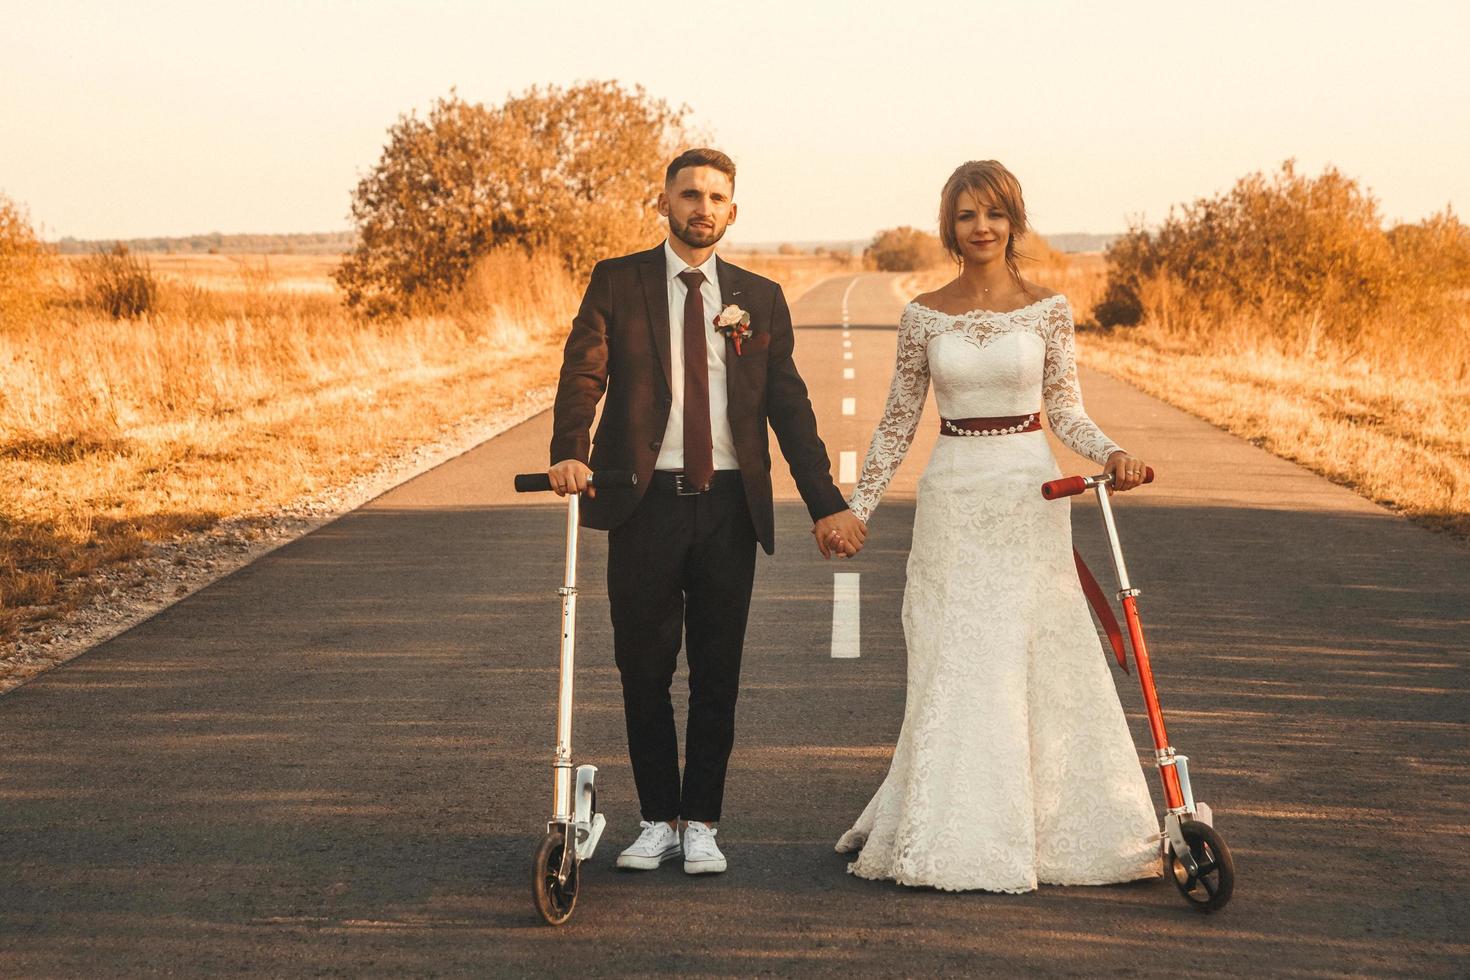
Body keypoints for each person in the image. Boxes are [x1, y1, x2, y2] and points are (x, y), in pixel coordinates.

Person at [834, 160, 1161, 893]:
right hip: (953, 492)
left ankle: (1059, 821)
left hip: (1029, 489)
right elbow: (895, 424)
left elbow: (1067, 409)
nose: (980, 228)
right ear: (948, 226)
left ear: (1014, 221)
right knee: (959, 650)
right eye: (966, 215)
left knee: (1040, 646)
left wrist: (1112, 453)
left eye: (994, 214)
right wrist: (857, 511)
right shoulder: (923, 313)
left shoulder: (1049, 309)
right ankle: (953, 820)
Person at [548, 148, 867, 876]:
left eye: (715, 196)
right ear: (661, 202)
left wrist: (826, 506)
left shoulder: (760, 296)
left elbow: (791, 411)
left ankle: (703, 823)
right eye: (688, 193)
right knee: (643, 669)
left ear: (732, 210)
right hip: (642, 503)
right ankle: (658, 818)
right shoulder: (618, 281)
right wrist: (570, 449)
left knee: (717, 672)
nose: (702, 206)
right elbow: (583, 372)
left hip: (729, 507)